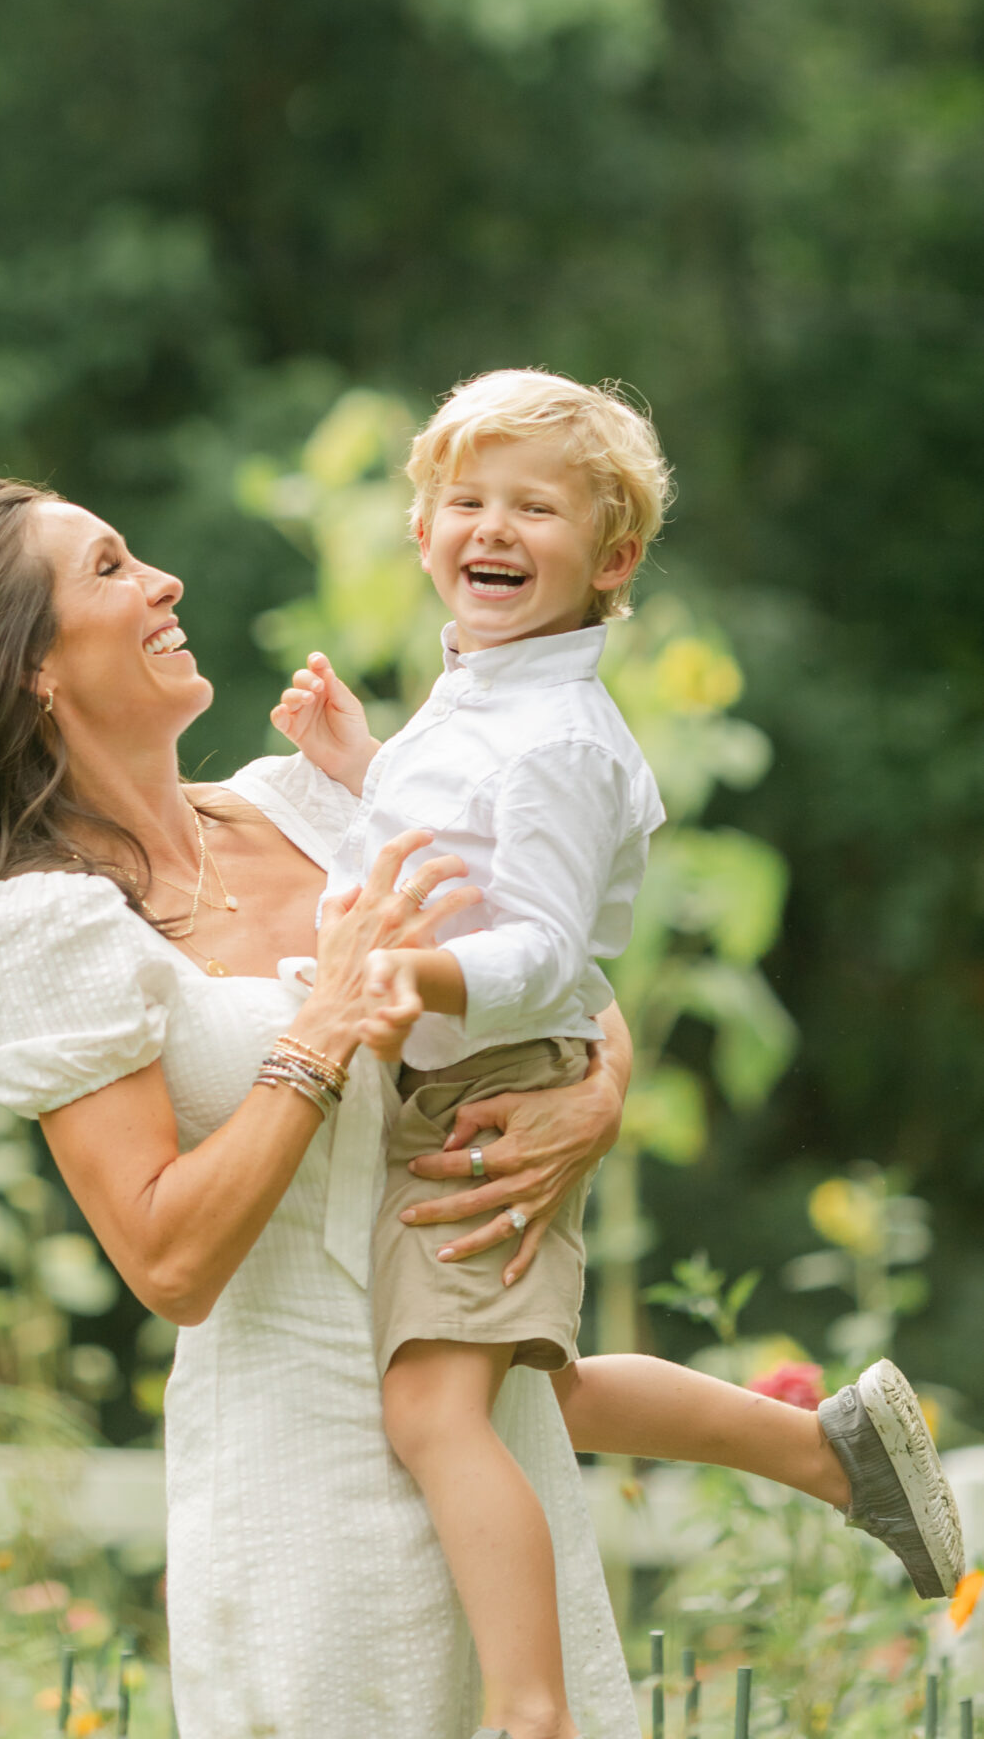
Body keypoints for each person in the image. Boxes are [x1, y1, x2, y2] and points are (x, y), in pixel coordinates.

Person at [0, 473, 937, 1739]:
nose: (163, 580)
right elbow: (166, 1258)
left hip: (488, 1429)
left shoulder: (308, 804)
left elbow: (548, 969)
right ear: (33, 671)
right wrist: (323, 1029)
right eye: (112, 568)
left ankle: (826, 1459)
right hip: (305, 1489)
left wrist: (597, 1097)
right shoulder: (46, 921)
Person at [273, 370, 962, 1739]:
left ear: (612, 557)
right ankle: (822, 1450)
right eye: (464, 500)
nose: (493, 526)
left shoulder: (556, 743)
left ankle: (529, 1713)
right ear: (421, 536)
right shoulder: (473, 708)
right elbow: (430, 870)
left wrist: (403, 975)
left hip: (484, 1094)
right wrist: (365, 779)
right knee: (535, 1390)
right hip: (460, 1078)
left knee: (431, 1411)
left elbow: (534, 951)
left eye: (535, 506)